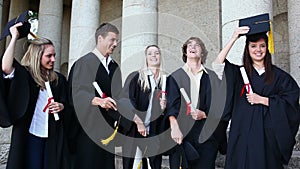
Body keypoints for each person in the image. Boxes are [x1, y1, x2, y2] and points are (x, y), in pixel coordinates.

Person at [213, 14, 300, 169]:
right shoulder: (238, 74)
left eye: (262, 46)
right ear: (247, 49)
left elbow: (291, 101)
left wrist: (264, 100)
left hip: (268, 136)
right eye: (253, 46)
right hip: (242, 133)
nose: (258, 50)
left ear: (267, 48)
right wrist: (234, 37)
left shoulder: (279, 76)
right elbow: (217, 65)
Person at [0, 22, 68, 169]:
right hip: (31, 135)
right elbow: (5, 67)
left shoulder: (58, 79)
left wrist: (61, 106)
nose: (53, 60)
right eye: (49, 56)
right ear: (38, 56)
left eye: (54, 55)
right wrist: (14, 38)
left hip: (52, 136)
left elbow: (67, 102)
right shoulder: (26, 75)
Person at [68, 23, 132, 169]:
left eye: (117, 40)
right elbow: (74, 93)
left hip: (109, 128)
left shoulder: (114, 67)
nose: (115, 44)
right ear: (100, 39)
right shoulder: (84, 63)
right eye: (112, 40)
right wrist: (97, 101)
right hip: (88, 129)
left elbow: (118, 95)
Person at [165, 37, 229, 169]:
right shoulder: (175, 77)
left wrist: (205, 114)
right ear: (185, 52)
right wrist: (174, 127)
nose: (192, 47)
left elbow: (220, 106)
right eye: (189, 45)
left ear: (203, 53)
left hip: (206, 134)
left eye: (197, 45)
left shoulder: (213, 78)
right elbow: (172, 106)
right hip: (182, 133)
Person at [122, 45, 166, 169]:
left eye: (156, 53)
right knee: (133, 165)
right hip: (134, 129)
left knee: (153, 164)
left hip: (153, 131)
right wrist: (138, 122)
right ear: (145, 58)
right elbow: (125, 101)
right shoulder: (136, 77)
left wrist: (164, 107)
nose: (153, 56)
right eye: (150, 53)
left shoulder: (164, 81)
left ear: (160, 57)